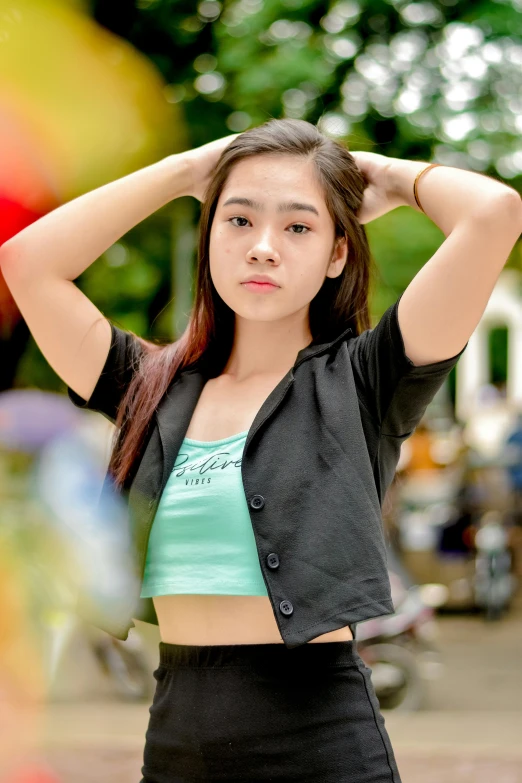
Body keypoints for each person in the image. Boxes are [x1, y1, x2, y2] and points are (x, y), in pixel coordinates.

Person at [1, 118, 520, 782]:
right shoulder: (149, 387)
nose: (263, 248)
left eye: (299, 227)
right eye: (239, 221)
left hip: (322, 750)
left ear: (338, 252)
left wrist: (380, 177)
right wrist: (190, 171)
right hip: (177, 747)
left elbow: (495, 212)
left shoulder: (367, 379)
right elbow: (26, 262)